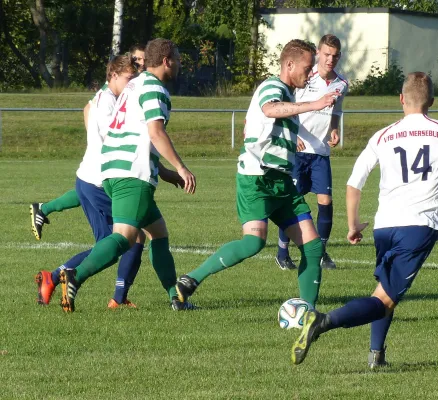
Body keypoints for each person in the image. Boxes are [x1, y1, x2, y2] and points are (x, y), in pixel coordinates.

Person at [290, 72, 438, 367]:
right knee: (384, 300)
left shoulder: (383, 135)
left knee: (384, 291)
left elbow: (355, 183)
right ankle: (322, 321)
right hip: (418, 227)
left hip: (385, 226)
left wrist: (353, 224)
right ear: (432, 101)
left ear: (401, 99)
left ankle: (376, 356)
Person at [174, 39, 340, 309]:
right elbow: (269, 109)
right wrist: (314, 104)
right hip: (257, 177)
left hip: (282, 181)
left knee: (312, 246)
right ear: (289, 64)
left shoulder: (289, 93)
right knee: (253, 243)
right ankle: (189, 280)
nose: (310, 73)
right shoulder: (273, 86)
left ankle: (308, 312)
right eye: (307, 67)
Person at [59, 38, 196, 313]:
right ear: (167, 61)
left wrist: (167, 175)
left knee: (158, 233)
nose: (180, 64)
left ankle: (175, 297)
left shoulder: (134, 85)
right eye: (178, 59)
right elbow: (156, 133)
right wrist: (181, 167)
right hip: (132, 173)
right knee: (124, 237)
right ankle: (75, 274)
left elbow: (136, 134)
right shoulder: (155, 88)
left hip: (113, 168)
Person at [30, 44, 147, 241]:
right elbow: (88, 108)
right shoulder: (111, 93)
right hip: (102, 173)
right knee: (135, 230)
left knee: (107, 240)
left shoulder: (126, 88)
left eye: (144, 60)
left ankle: (45, 212)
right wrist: (95, 140)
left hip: (94, 175)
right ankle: (44, 209)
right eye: (138, 59)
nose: (141, 64)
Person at [275, 34, 348, 271]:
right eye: (326, 54)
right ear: (318, 53)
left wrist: (334, 128)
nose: (330, 59)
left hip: (320, 152)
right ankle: (282, 253)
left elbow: (336, 110)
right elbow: (287, 107)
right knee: (293, 202)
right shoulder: (304, 78)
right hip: (299, 151)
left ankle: (321, 252)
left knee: (325, 201)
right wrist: (293, 134)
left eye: (335, 55)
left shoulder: (341, 84)